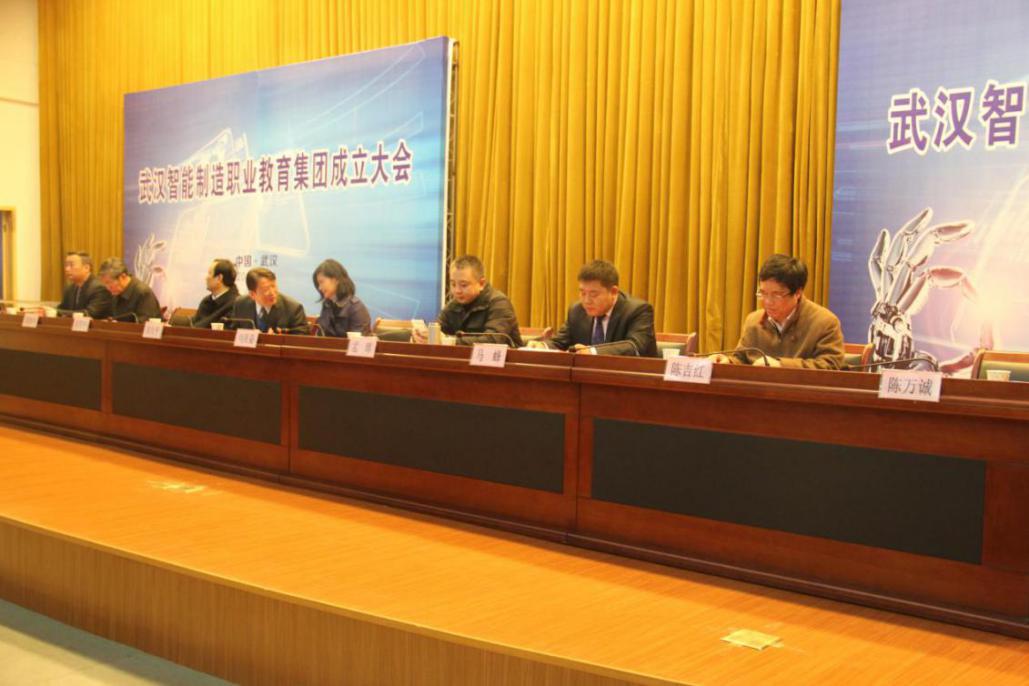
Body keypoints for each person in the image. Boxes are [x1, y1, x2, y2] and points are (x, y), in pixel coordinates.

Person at [711, 254, 845, 369]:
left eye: (776, 295)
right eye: (763, 293)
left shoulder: (825, 323)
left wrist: (781, 365)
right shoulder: (753, 321)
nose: (768, 302)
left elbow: (830, 366)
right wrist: (727, 361)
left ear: (798, 293)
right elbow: (741, 359)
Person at [536, 260, 657, 356]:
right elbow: (560, 342)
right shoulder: (577, 311)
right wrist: (542, 346)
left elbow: (635, 346)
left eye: (593, 294)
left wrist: (592, 351)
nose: (586, 300)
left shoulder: (638, 310)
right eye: (582, 293)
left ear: (613, 292)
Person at [412, 255, 523, 347]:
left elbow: (493, 340)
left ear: (481, 283)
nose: (457, 291)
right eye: (453, 284)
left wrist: (450, 341)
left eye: (463, 285)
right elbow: (439, 330)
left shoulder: (499, 303)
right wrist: (422, 337)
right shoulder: (453, 305)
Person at [231, 267, 309, 334]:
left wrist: (277, 340)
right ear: (252, 294)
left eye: (274, 286)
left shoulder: (293, 308)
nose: (272, 292)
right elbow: (232, 333)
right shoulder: (240, 304)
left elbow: (302, 338)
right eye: (266, 289)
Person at [312, 259, 371, 337]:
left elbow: (359, 342)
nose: (319, 288)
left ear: (336, 280)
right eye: (318, 284)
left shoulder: (356, 308)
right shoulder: (327, 305)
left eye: (321, 282)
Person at [97, 257, 161, 321]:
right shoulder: (115, 292)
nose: (107, 288)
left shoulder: (143, 292)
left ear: (123, 277)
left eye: (109, 283)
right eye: (105, 284)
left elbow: (146, 322)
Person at [57, 251, 112, 319]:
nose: (67, 269)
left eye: (71, 265)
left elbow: (90, 313)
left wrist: (58, 312)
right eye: (66, 265)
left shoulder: (99, 288)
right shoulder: (69, 288)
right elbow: (62, 309)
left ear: (86, 268)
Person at [192, 258, 240, 328]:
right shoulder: (206, 301)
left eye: (209, 273)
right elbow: (194, 325)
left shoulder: (236, 304)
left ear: (219, 278)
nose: (206, 278)